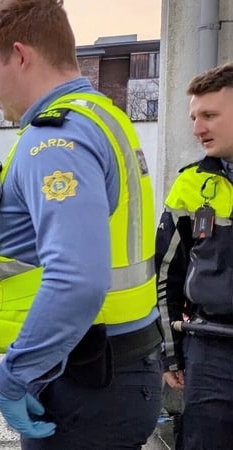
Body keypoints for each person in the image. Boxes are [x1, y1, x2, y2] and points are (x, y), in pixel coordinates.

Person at [0, 0, 163, 447]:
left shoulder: (54, 140)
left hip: (85, 380)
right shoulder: (102, 117)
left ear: (20, 55)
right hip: (115, 366)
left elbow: (76, 278)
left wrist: (15, 377)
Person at [156, 60, 233, 449]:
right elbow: (165, 275)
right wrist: (170, 355)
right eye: (193, 117)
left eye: (209, 115)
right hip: (211, 352)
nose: (197, 128)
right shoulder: (190, 185)